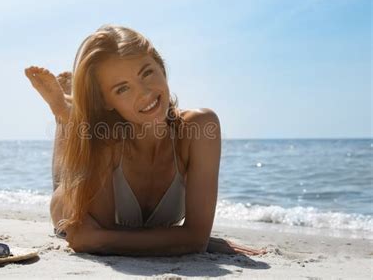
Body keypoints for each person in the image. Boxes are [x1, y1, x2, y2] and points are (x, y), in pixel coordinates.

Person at [25, 24, 267, 256]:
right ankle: (66, 116)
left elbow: (103, 239)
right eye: (122, 89)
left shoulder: (201, 127)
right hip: (70, 199)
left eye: (147, 72)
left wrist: (193, 239)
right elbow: (103, 236)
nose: (145, 93)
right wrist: (177, 238)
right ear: (106, 101)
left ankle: (72, 112)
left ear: (161, 66)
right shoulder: (105, 140)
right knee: (63, 184)